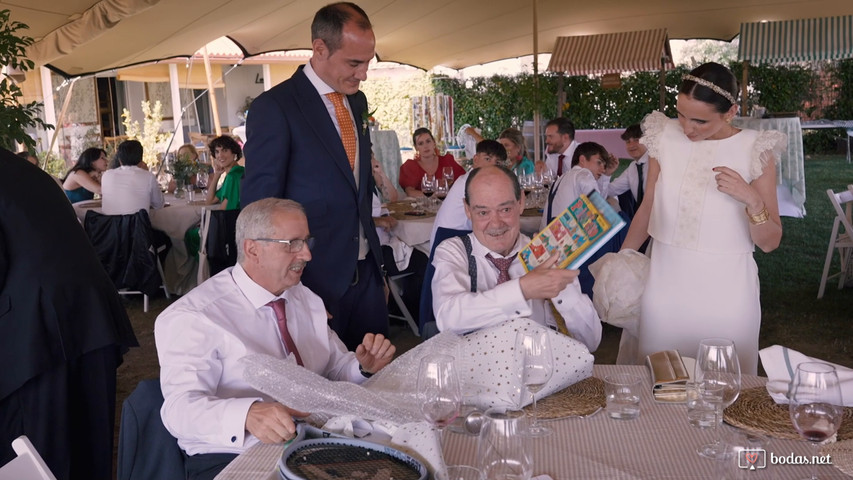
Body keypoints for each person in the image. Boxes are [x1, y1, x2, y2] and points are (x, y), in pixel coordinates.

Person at [156, 198, 395, 480]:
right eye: (292, 244)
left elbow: (331, 367)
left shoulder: (301, 295)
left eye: (307, 241)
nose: (306, 254)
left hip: (312, 442)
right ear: (253, 249)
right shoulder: (195, 317)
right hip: (232, 455)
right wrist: (247, 414)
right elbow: (178, 410)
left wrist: (361, 366)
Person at [620, 62, 784, 375]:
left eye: (700, 120)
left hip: (727, 289)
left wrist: (751, 199)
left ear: (731, 111)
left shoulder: (755, 149)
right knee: (662, 382)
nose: (687, 127)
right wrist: (623, 258)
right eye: (681, 114)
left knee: (722, 388)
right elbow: (648, 204)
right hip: (666, 281)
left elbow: (770, 241)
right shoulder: (662, 136)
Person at [242, 2, 388, 351]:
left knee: (376, 382)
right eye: (354, 63)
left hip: (365, 275)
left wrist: (375, 270)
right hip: (310, 281)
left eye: (368, 62)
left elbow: (356, 188)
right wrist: (288, 294)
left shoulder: (358, 102)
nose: (363, 74)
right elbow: (259, 210)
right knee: (320, 392)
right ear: (320, 49)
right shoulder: (275, 107)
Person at [0, 148, 138, 480]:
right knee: (88, 449)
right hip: (85, 318)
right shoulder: (16, 166)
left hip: (36, 336)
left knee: (36, 459)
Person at [431, 165, 601, 351]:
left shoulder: (545, 254)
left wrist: (563, 289)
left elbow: (591, 342)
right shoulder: (454, 251)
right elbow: (448, 319)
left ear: (520, 202)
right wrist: (523, 290)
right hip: (476, 376)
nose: (495, 223)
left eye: (505, 210)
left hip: (542, 373)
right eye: (483, 212)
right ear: (467, 209)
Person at [430, 139, 506, 246]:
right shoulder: (472, 184)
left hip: (454, 239)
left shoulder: (471, 179)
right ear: (475, 159)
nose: (492, 166)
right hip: (451, 243)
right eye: (487, 159)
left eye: (497, 163)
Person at [101, 139, 165, 215]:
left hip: (109, 225)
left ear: (119, 160)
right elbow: (159, 205)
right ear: (141, 160)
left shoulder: (106, 175)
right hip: (137, 225)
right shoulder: (148, 177)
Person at [398, 127, 466, 196]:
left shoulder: (447, 161)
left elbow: (464, 181)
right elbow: (410, 192)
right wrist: (436, 195)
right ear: (416, 148)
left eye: (428, 141)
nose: (425, 146)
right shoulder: (411, 166)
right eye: (421, 143)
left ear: (434, 143)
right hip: (423, 205)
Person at [609, 124, 649, 219]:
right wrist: (607, 174)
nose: (631, 145)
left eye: (636, 140)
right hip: (643, 222)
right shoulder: (632, 167)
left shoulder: (658, 163)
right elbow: (611, 190)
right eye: (628, 142)